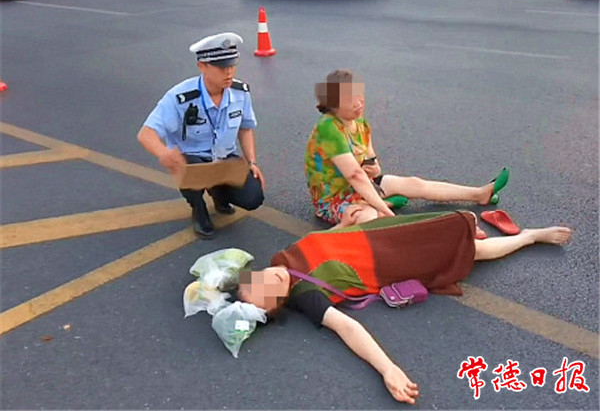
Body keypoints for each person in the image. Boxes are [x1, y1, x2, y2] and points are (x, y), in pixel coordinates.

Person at [237, 211, 572, 404]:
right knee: (473, 252)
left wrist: (343, 225)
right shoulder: (305, 296)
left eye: (259, 279)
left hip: (375, 235)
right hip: (387, 260)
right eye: (268, 294)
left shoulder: (281, 259)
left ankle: (478, 232)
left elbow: (324, 243)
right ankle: (529, 237)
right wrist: (388, 369)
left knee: (450, 225)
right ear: (279, 304)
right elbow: (347, 327)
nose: (270, 279)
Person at [305, 69, 509, 227]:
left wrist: (374, 168)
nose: (359, 103)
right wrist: (385, 210)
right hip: (334, 200)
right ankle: (388, 212)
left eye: (360, 95)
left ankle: (479, 194)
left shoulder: (360, 123)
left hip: (360, 189)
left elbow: (373, 167)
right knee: (370, 218)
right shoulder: (329, 127)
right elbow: (355, 175)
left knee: (415, 184)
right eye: (350, 100)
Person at [137, 32, 265, 238]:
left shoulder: (240, 93)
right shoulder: (180, 98)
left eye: (232, 65)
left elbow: (245, 128)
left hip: (224, 160)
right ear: (202, 66)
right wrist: (164, 153)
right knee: (190, 168)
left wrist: (252, 162)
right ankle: (198, 208)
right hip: (193, 162)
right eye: (221, 67)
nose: (229, 72)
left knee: (253, 197)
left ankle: (219, 194)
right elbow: (146, 134)